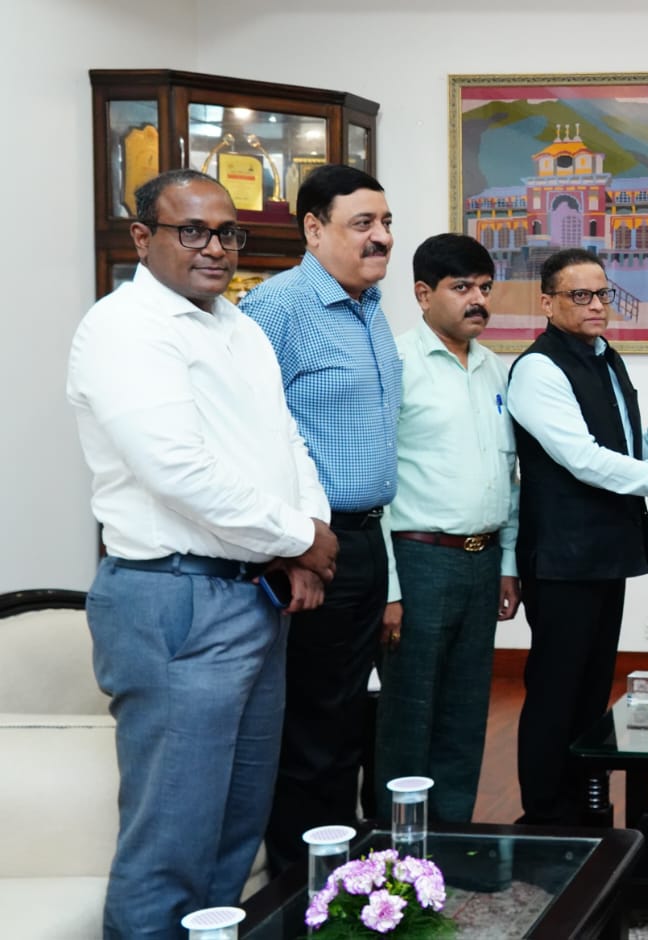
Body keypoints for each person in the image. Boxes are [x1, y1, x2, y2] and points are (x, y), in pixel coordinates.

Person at [66, 169, 337, 937]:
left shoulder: (239, 327)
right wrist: (301, 539)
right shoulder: (123, 329)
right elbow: (178, 470)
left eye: (227, 233)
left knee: (234, 837)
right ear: (142, 237)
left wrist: (305, 539)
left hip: (252, 595)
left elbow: (286, 443)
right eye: (192, 231)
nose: (215, 248)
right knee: (171, 845)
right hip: (174, 598)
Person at [508, 248, 648, 824]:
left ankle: (586, 810)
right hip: (561, 558)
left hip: (605, 551)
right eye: (580, 295)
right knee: (557, 691)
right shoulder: (538, 370)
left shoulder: (605, 359)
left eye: (603, 294)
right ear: (548, 303)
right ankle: (545, 819)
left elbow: (628, 448)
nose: (596, 305)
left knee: (591, 691)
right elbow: (587, 462)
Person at [242, 164, 403, 872]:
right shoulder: (275, 309)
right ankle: (300, 889)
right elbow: (250, 436)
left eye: (387, 223)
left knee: (345, 721)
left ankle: (342, 880)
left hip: (365, 540)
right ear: (313, 229)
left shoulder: (371, 309)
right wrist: (291, 548)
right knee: (311, 728)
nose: (382, 237)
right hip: (310, 545)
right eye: (363, 223)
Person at [372, 233, 521, 823]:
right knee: (409, 714)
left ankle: (452, 840)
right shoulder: (395, 364)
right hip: (419, 560)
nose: (478, 300)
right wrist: (390, 589)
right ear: (422, 294)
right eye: (462, 288)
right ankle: (396, 852)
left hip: (482, 562)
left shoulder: (493, 369)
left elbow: (508, 475)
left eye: (485, 287)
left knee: (465, 711)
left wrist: (507, 563)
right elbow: (375, 482)